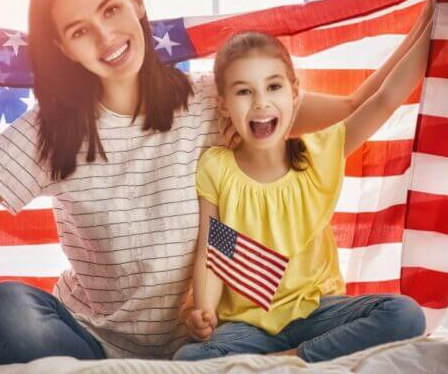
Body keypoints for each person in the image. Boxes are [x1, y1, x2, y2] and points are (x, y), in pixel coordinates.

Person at [0, 0, 435, 364]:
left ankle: (201, 362)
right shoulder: (51, 131)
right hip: (91, 337)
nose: (105, 38)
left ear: (136, 4)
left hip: (214, 335)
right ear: (63, 49)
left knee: (389, 315)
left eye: (110, 10)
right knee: (4, 310)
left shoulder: (217, 101)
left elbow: (361, 104)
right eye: (78, 31)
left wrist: (436, 14)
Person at [173, 27, 432, 362]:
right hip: (248, 327)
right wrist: (204, 311)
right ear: (223, 105)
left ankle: (291, 358)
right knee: (187, 359)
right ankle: (298, 359)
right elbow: (215, 248)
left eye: (274, 86)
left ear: (294, 93)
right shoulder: (217, 167)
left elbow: (384, 99)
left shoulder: (318, 155)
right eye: (243, 92)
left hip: (318, 314)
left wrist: (434, 21)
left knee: (405, 314)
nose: (261, 101)